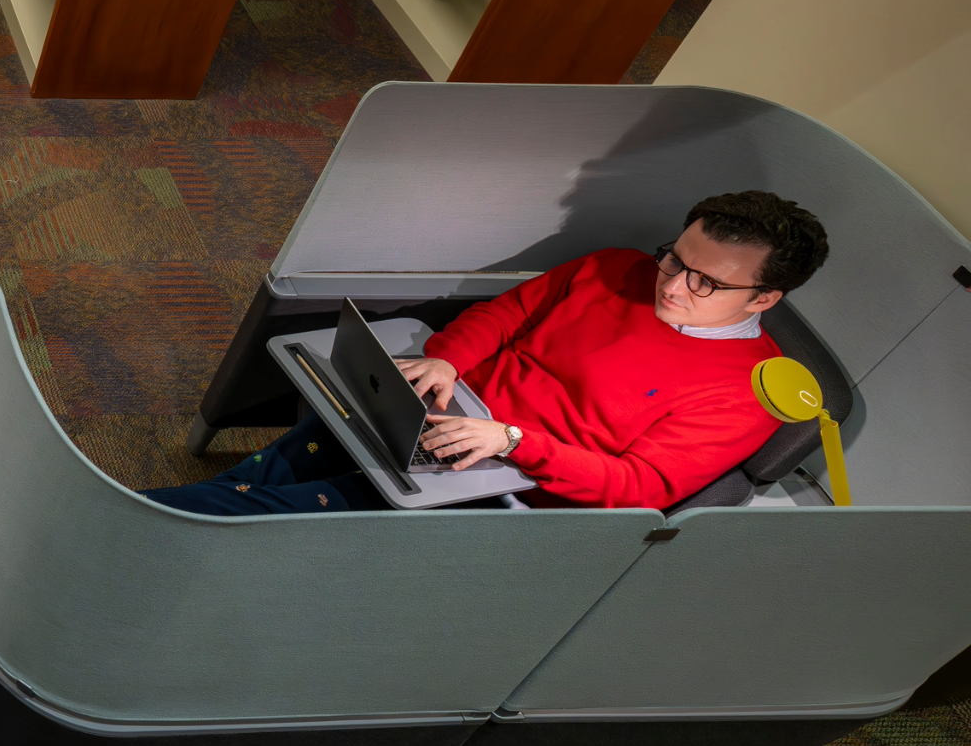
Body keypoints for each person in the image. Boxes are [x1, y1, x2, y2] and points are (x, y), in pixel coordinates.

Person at [146, 190, 831, 515]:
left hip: (508, 485)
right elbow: (510, 313)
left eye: (705, 282)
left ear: (765, 299)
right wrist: (446, 359)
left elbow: (638, 490)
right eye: (674, 259)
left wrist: (510, 439)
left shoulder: (744, 392)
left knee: (255, 515)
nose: (674, 286)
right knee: (250, 483)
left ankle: (97, 540)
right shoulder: (615, 268)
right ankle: (116, 535)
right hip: (440, 408)